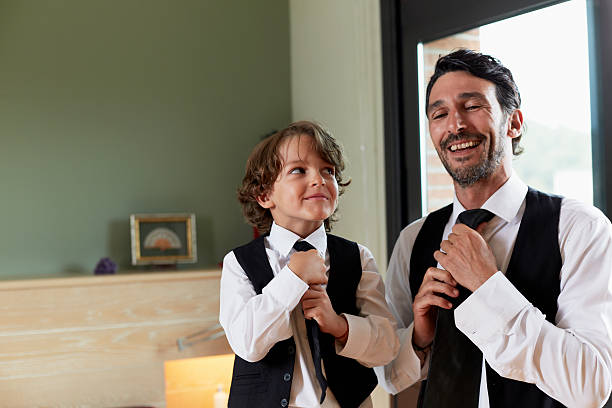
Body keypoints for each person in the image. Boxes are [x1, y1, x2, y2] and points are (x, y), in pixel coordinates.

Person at [375, 49, 612, 407]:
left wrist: (489, 287)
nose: (455, 125)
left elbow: (590, 384)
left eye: (472, 106)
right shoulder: (413, 240)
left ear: (513, 123)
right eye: (439, 114)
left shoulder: (580, 228)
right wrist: (420, 338)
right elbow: (391, 377)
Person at [219, 120, 399, 408]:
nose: (319, 179)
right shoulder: (237, 263)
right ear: (265, 195)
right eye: (298, 170)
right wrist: (293, 277)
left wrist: (340, 326)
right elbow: (247, 344)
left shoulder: (359, 258)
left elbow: (387, 346)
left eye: (328, 170)